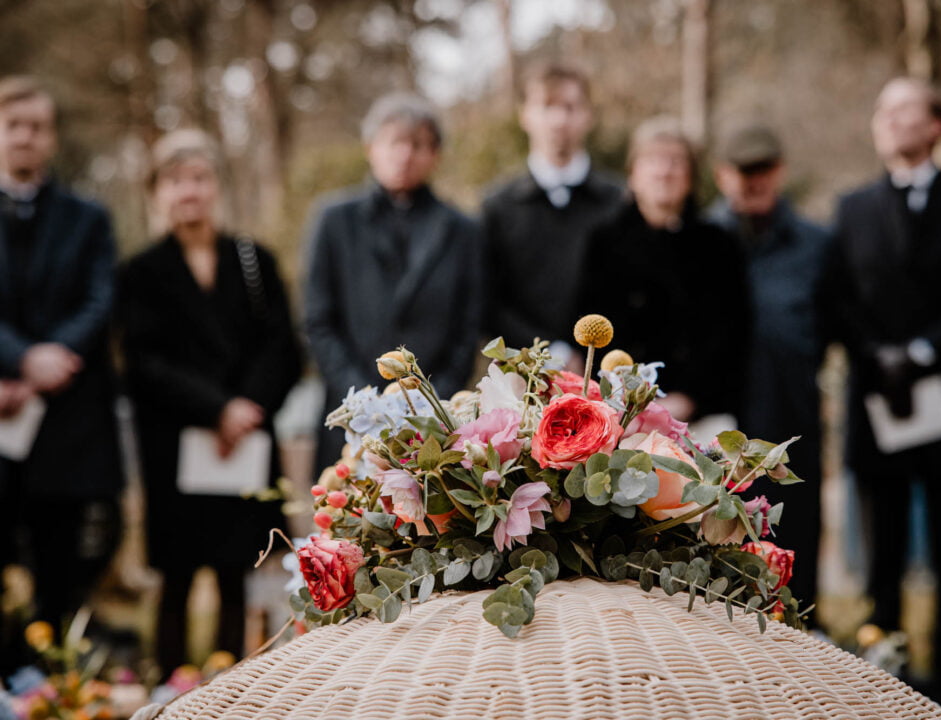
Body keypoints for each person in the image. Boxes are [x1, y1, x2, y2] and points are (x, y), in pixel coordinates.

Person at [829, 77, 941, 706]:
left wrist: (926, 350)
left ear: (938, 126)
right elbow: (840, 298)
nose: (893, 120)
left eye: (907, 109)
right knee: (884, 556)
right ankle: (883, 688)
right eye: (884, 110)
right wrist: (879, 354)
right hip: (878, 401)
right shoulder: (849, 209)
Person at [118, 129, 301, 674]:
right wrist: (214, 409)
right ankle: (168, 691)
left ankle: (233, 688)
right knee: (175, 577)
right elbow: (143, 362)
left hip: (243, 443)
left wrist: (245, 408)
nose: (188, 191)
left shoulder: (254, 261)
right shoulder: (140, 272)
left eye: (198, 178)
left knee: (235, 572)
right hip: (175, 445)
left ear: (216, 186)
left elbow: (283, 348)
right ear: (157, 193)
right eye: (175, 181)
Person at [0, 76, 122, 679]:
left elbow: (100, 302)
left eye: (36, 126)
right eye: (13, 125)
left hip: (65, 427)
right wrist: (21, 360)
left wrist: (48, 362)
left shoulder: (87, 218)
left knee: (61, 570)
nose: (25, 136)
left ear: (50, 137)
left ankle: (53, 688)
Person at [304, 92, 482, 472]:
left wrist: (435, 402)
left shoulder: (462, 230)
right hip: (350, 419)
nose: (405, 154)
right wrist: (366, 402)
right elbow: (318, 321)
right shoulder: (333, 221)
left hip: (435, 424)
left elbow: (468, 326)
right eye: (394, 142)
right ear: (371, 148)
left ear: (434, 155)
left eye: (417, 144)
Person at [705, 124, 833, 608]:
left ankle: (802, 630)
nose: (752, 182)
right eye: (742, 172)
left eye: (762, 170)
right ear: (721, 175)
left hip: (791, 410)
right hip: (717, 417)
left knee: (794, 536)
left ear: (778, 172)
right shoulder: (701, 238)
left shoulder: (815, 244)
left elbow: (831, 323)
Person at [579, 116, 747, 421]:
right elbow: (589, 323)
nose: (664, 171)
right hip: (617, 411)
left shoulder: (718, 245)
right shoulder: (604, 242)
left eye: (676, 161)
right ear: (633, 174)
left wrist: (690, 398)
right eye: (653, 160)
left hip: (701, 412)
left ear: (691, 176)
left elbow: (731, 333)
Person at [482, 62, 623, 357]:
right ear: (525, 116)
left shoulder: (619, 202)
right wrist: (547, 353)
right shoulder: (498, 205)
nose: (560, 119)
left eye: (571, 107)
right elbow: (487, 301)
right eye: (547, 107)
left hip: (605, 373)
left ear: (588, 116)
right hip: (523, 376)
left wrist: (583, 354)